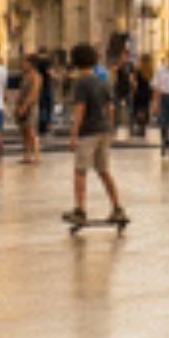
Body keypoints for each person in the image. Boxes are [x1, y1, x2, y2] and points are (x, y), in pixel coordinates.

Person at [63, 42, 126, 227]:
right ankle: (117, 208)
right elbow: (111, 107)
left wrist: (73, 135)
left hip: (88, 132)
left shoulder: (81, 83)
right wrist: (110, 127)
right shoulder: (103, 80)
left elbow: (80, 110)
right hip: (104, 129)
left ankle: (80, 210)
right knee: (104, 171)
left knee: (80, 171)